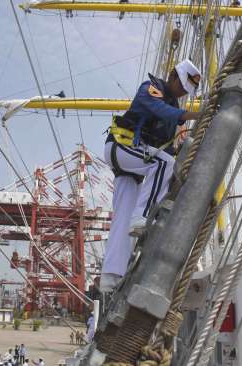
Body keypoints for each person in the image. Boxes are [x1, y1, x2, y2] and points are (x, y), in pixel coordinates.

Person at [100, 59, 202, 293]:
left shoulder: (173, 106)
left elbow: (164, 147)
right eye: (182, 87)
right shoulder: (151, 88)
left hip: (133, 164)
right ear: (173, 76)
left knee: (122, 217)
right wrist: (189, 115)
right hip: (120, 148)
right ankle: (144, 217)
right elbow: (159, 110)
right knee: (163, 164)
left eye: (187, 92)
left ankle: (111, 276)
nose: (182, 93)